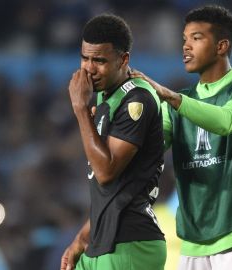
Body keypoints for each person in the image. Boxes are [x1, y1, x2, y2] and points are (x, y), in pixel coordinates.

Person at [131, 5, 232, 270]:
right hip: (194, 235)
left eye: (196, 38)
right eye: (184, 39)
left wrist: (173, 98)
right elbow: (146, 152)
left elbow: (227, 121)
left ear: (221, 46)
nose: (185, 47)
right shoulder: (175, 105)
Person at [60, 14, 166, 270]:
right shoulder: (107, 100)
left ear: (124, 59)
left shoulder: (137, 99)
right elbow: (111, 195)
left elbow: (106, 172)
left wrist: (80, 109)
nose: (89, 68)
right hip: (103, 240)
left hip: (130, 243)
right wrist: (82, 237)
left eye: (99, 60)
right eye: (85, 58)